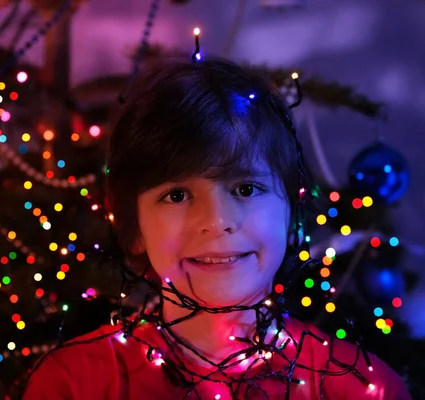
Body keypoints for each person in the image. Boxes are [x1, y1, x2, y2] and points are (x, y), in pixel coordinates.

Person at [22, 58, 411, 399]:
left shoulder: (364, 388)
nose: (216, 221)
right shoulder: (73, 384)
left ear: (292, 213)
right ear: (133, 225)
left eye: (246, 188)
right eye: (175, 195)